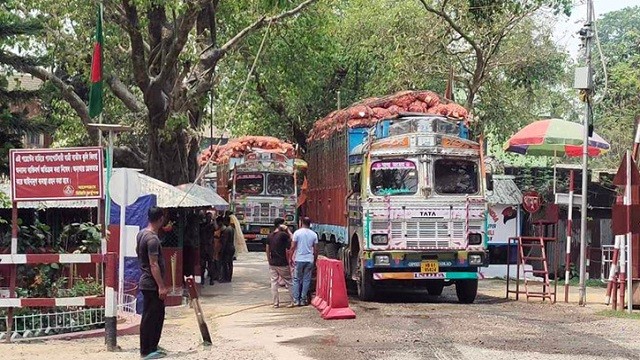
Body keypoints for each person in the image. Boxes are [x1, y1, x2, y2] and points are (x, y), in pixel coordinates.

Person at [137, 206, 168, 359]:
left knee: (153, 315)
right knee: (152, 317)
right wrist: (161, 286)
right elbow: (153, 264)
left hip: (146, 281)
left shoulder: (142, 234)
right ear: (161, 219)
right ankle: (147, 350)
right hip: (152, 284)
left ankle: (152, 346)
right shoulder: (152, 239)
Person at [264, 218, 293, 308]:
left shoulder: (270, 236)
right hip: (282, 263)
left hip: (273, 263)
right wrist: (287, 230)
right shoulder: (283, 235)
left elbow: (267, 250)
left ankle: (275, 303)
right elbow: (293, 239)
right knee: (289, 282)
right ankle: (293, 301)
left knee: (274, 282)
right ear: (281, 225)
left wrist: (269, 261)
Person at [291, 217, 318, 306]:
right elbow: (316, 249)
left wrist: (291, 257)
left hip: (299, 259)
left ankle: (296, 300)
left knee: (296, 280)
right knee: (306, 280)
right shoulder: (314, 234)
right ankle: (303, 300)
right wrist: (315, 260)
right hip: (309, 259)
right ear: (310, 224)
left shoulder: (297, 233)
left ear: (301, 222)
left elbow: (293, 247)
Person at [199, 211, 216, 286]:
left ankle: (209, 279)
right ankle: (204, 279)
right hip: (206, 246)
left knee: (209, 264)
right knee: (204, 264)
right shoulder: (204, 225)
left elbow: (216, 228)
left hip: (208, 246)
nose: (208, 219)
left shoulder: (210, 226)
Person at [219, 215, 236, 282]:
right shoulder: (231, 229)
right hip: (231, 247)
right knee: (230, 263)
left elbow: (224, 242)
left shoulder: (226, 230)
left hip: (227, 248)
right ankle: (229, 277)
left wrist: (222, 251)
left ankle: (225, 277)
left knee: (225, 263)